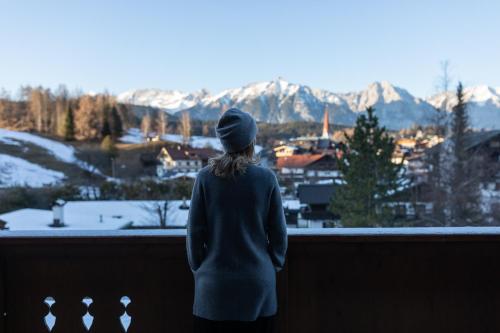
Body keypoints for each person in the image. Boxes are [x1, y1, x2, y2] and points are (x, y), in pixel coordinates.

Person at [186, 108, 288, 333]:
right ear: (251, 140)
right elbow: (279, 234)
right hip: (258, 286)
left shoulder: (204, 178)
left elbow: (194, 233)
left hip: (213, 289)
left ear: (224, 142)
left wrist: (201, 268)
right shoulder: (266, 178)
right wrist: (272, 265)